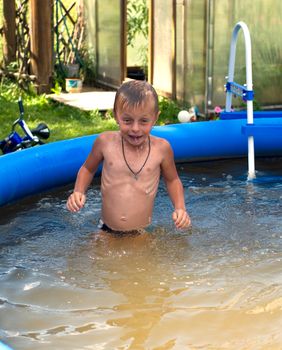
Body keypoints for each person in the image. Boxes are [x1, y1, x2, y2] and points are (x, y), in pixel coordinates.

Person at [66, 80, 191, 233]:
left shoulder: (161, 149)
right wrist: (78, 191)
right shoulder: (105, 142)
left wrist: (180, 208)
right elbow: (87, 169)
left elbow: (172, 180)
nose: (135, 128)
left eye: (144, 121)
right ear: (116, 116)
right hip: (106, 228)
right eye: (127, 120)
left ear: (155, 118)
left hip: (140, 231)